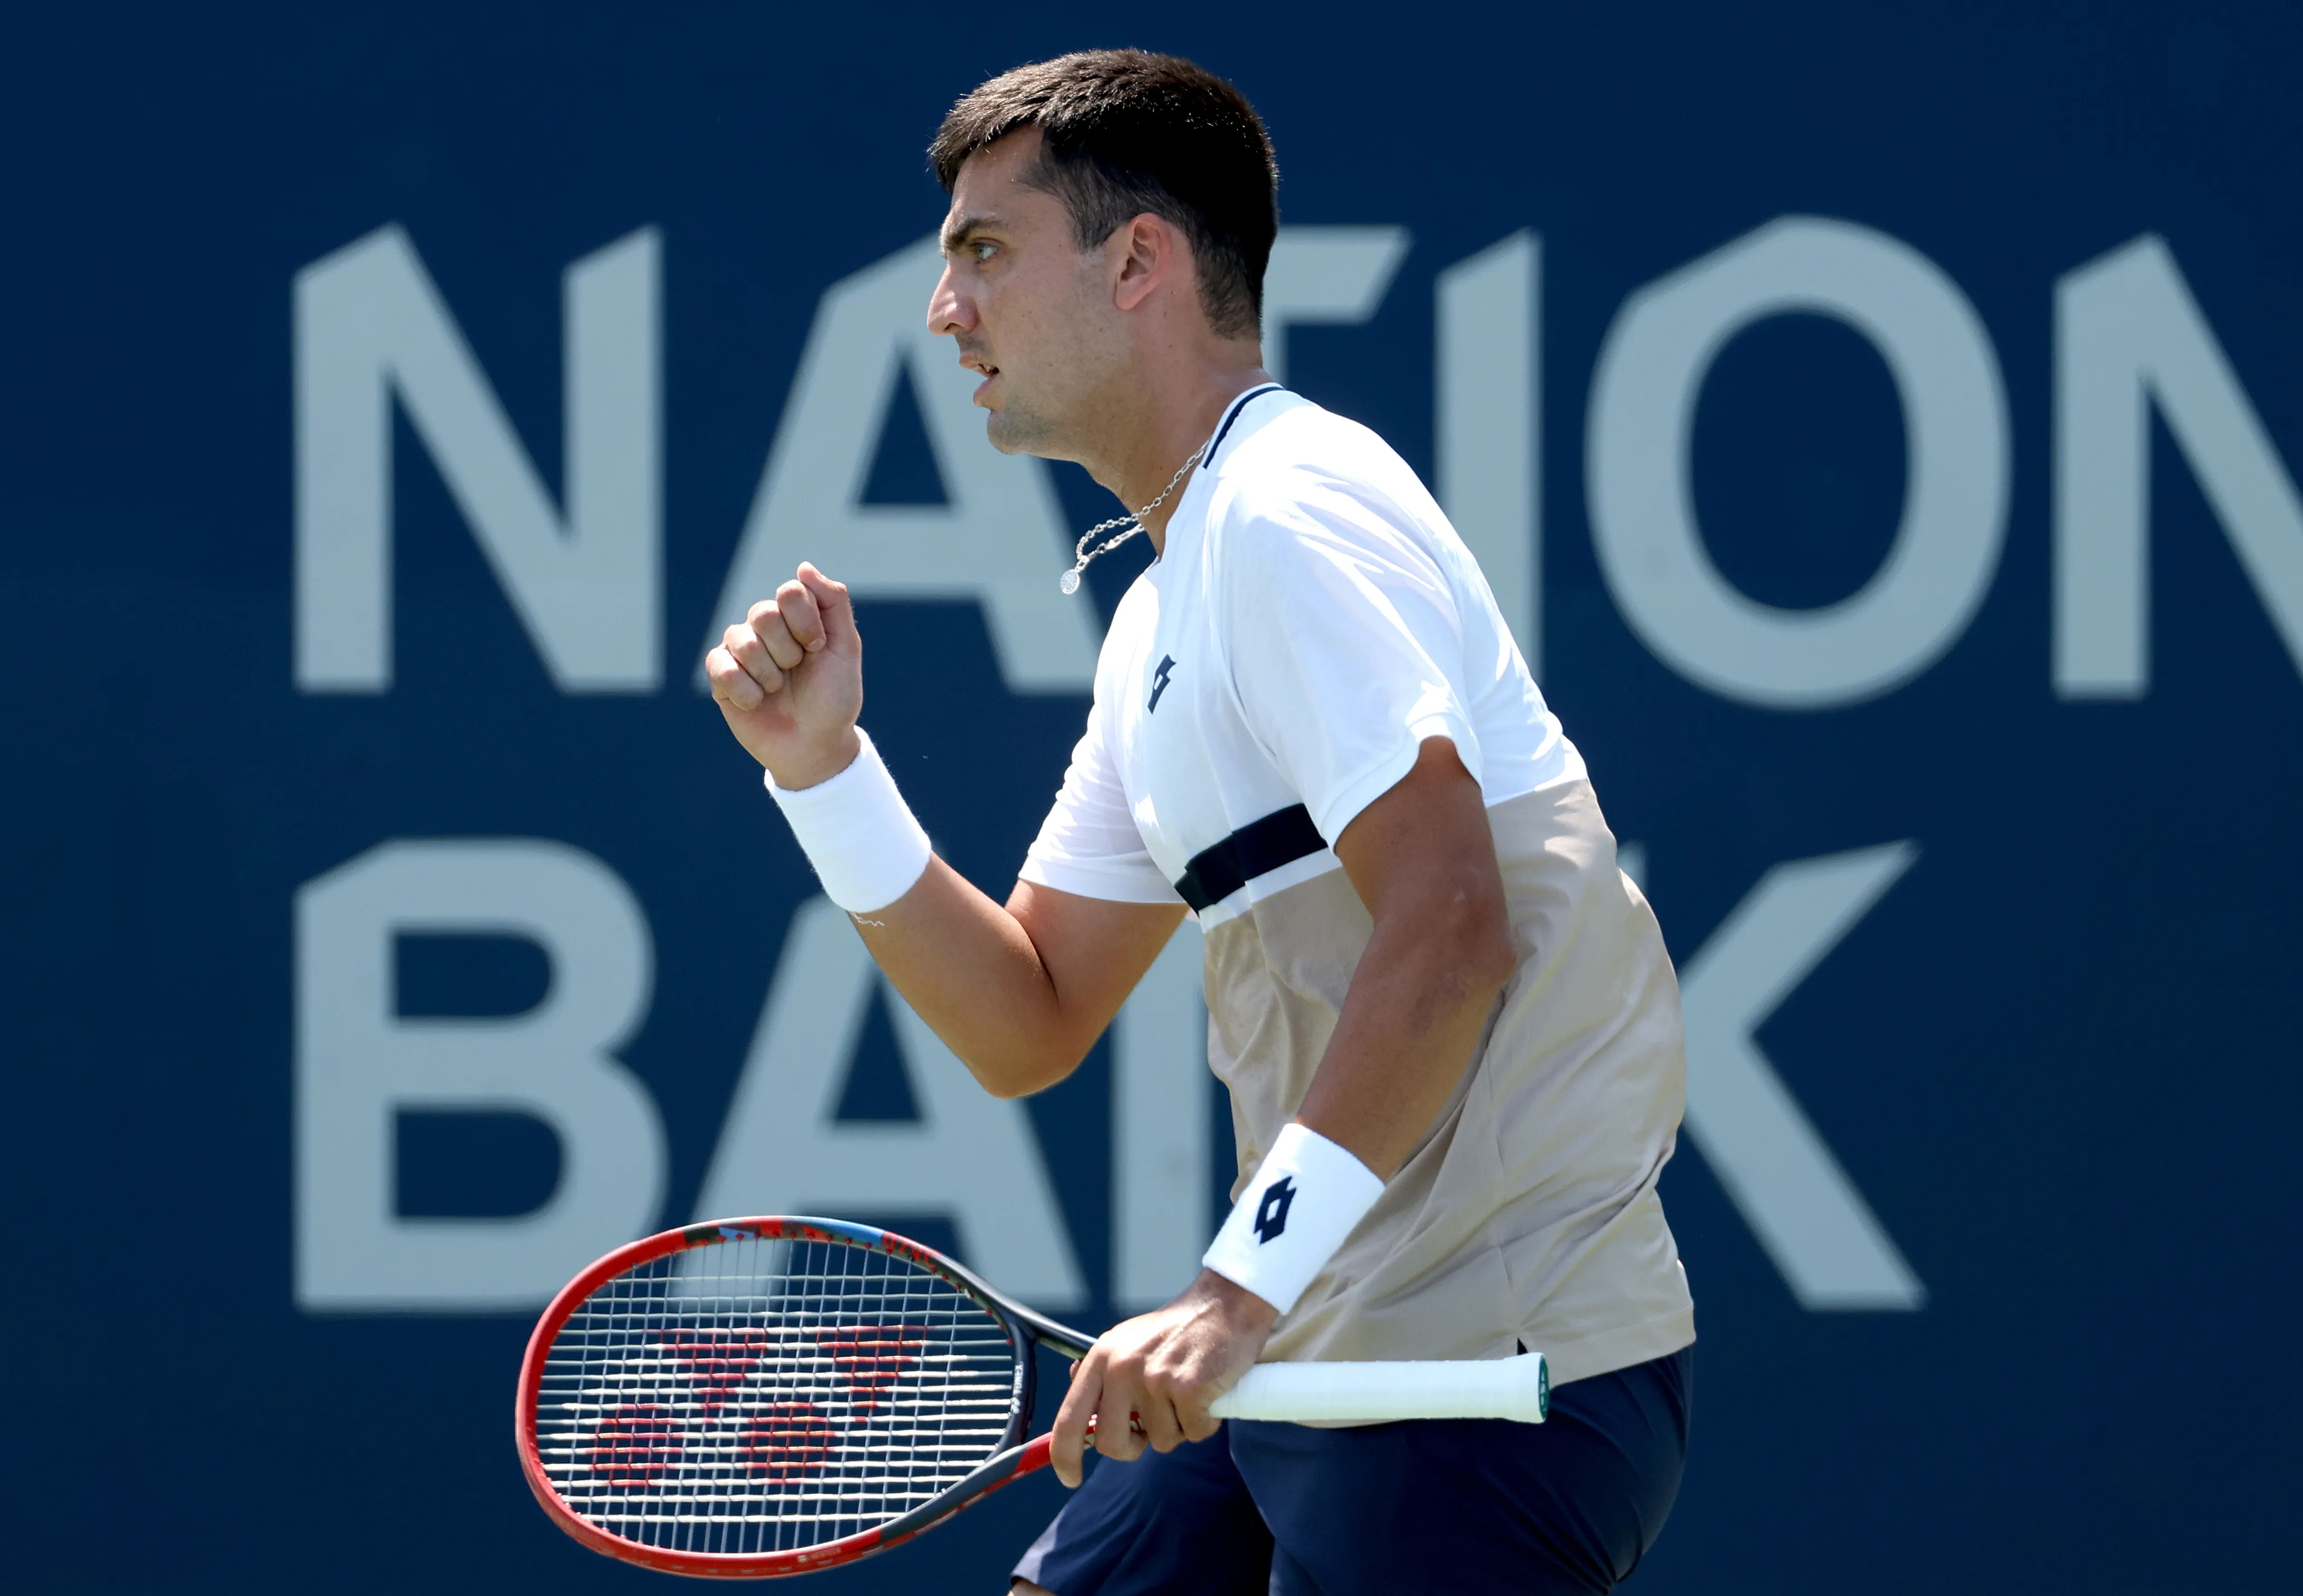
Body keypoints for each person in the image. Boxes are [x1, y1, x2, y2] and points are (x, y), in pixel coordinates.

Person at [705, 48, 1695, 1596]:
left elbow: (1451, 930)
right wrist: (822, 771)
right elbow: (1028, 1014)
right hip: (1310, 1336)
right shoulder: (1167, 605)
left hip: (1485, 1371)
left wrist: (1231, 1291)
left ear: (1142, 262)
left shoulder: (1289, 514)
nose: (943, 309)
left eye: (984, 251)